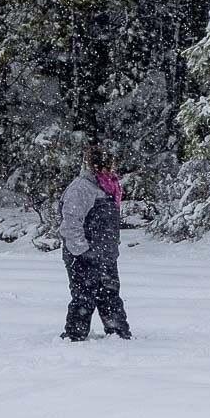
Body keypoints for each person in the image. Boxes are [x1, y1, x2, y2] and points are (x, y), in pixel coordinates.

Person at [58, 145, 132, 342]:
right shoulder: (81, 189)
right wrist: (83, 251)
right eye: (110, 166)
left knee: (110, 296)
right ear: (98, 166)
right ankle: (74, 336)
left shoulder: (109, 187)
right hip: (82, 256)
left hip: (105, 255)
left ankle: (118, 333)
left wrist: (110, 250)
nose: (113, 170)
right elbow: (70, 225)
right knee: (84, 297)